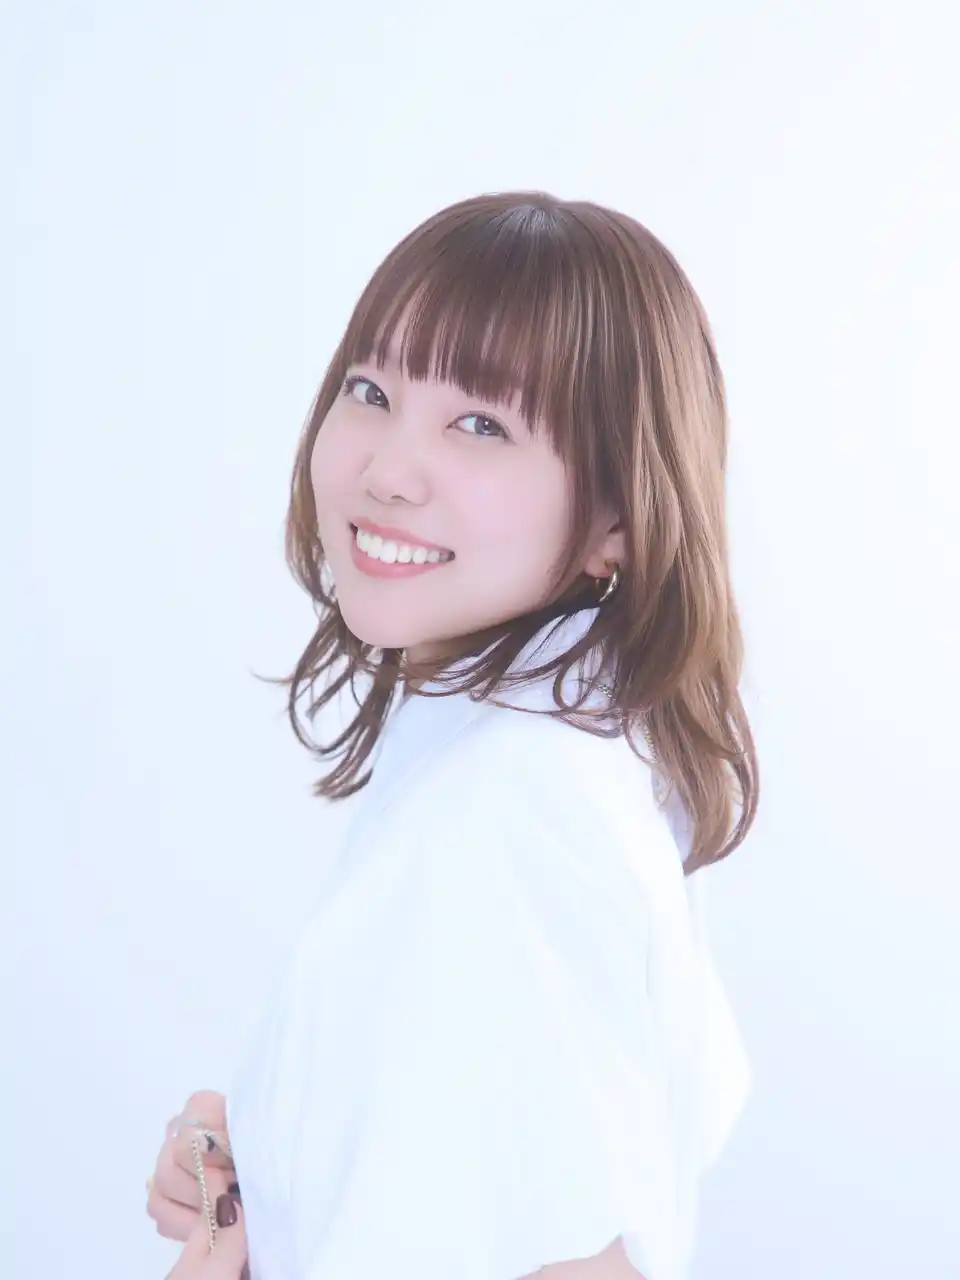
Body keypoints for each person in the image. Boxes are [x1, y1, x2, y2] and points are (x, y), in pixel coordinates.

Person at [146, 191, 758, 1280]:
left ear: (618, 518)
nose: (387, 470)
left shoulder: (514, 807)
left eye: (483, 424)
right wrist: (273, 1161)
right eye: (372, 391)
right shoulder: (550, 747)